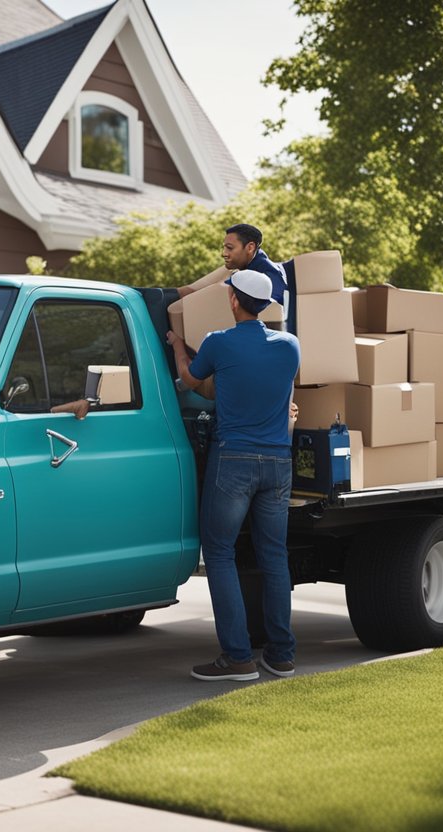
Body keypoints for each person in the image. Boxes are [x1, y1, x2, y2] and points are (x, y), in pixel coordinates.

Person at [166, 269, 301, 681]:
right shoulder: (290, 346)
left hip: (235, 459)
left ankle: (238, 658)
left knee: (221, 553)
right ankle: (281, 655)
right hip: (278, 462)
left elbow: (190, 380)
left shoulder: (218, 343)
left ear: (233, 301)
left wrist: (177, 348)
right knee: (274, 555)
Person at [176, 223, 290, 324]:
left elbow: (270, 314)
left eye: (230, 248)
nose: (224, 254)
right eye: (224, 248)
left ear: (250, 247)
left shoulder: (268, 278)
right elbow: (191, 291)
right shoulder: (241, 266)